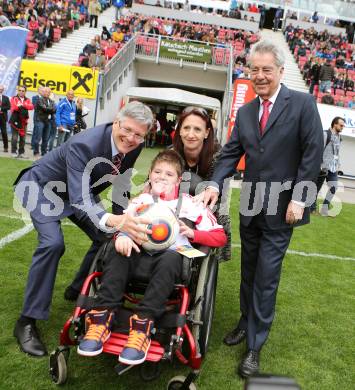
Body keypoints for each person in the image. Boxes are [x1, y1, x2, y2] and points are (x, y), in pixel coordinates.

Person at [202, 39, 323, 378]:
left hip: (283, 209)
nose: (260, 75)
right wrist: (214, 183)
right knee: (249, 271)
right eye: (254, 69)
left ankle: (254, 346)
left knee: (267, 278)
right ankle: (245, 320)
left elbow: (312, 154)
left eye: (266, 69)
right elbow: (229, 154)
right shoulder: (245, 111)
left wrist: (300, 199)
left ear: (281, 71)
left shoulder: (302, 104)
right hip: (251, 207)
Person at [13, 101, 154, 357]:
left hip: (77, 192)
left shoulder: (135, 145)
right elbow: (80, 200)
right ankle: (26, 322)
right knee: (53, 243)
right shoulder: (84, 143)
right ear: (116, 121)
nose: (132, 138)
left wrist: (121, 224)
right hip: (41, 187)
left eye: (139, 134)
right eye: (128, 130)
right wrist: (112, 220)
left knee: (108, 237)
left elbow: (121, 188)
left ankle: (77, 289)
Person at [77, 150, 227, 363]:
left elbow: (220, 237)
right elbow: (124, 224)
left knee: (170, 257)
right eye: (157, 171)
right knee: (119, 250)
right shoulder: (141, 201)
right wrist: (123, 235)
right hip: (139, 252)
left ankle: (142, 327)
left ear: (179, 179)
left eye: (169, 174)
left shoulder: (192, 204)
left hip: (172, 257)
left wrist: (193, 233)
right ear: (150, 174)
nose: (162, 177)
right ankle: (101, 318)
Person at [172, 106, 231, 262]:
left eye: (197, 129)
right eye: (186, 128)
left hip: (207, 204)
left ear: (206, 133)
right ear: (179, 130)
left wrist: (207, 192)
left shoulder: (218, 156)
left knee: (218, 214)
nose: (191, 134)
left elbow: (218, 190)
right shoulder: (170, 154)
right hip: (175, 203)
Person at [310, 117, 345, 217]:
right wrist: (319, 164)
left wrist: (338, 165)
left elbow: (337, 153)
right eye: (341, 125)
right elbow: (318, 149)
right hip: (323, 166)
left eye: (343, 126)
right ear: (335, 124)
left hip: (333, 167)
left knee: (334, 187)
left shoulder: (339, 137)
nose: (342, 127)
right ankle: (312, 209)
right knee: (316, 188)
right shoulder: (325, 134)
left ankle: (324, 208)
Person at [9, 86, 34, 158]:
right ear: (17, 91)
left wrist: (22, 105)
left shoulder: (27, 99)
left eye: (23, 91)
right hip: (15, 121)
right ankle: (13, 152)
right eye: (19, 90)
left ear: (25, 92)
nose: (21, 92)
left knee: (23, 138)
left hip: (24, 122)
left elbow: (31, 107)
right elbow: (14, 107)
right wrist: (24, 106)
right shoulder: (14, 98)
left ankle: (21, 153)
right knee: (14, 138)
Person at [33, 87, 56, 159]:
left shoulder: (51, 101)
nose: (47, 93)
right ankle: (36, 152)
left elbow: (54, 109)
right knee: (38, 137)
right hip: (40, 120)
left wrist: (49, 109)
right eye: (46, 91)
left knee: (46, 138)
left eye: (49, 92)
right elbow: (44, 108)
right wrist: (50, 109)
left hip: (48, 121)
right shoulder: (39, 100)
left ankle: (44, 152)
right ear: (43, 92)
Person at [0, 84, 11, 152]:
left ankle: (6, 147)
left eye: (1, 89)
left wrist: (1, 108)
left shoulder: (6, 98)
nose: (0, 90)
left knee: (4, 132)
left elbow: (9, 107)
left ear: (3, 90)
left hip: (3, 117)